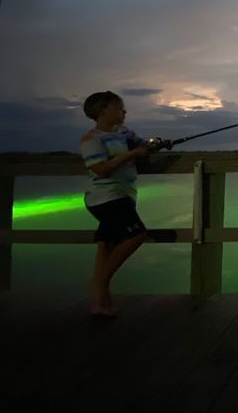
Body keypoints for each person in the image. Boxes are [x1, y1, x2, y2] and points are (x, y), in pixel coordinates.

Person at [79, 91, 160, 317]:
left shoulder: (124, 132)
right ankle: (98, 284)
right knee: (136, 234)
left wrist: (154, 145)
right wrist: (132, 153)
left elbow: (143, 145)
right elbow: (101, 169)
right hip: (104, 198)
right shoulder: (90, 139)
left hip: (124, 195)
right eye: (120, 107)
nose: (124, 111)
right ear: (103, 110)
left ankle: (99, 304)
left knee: (107, 244)